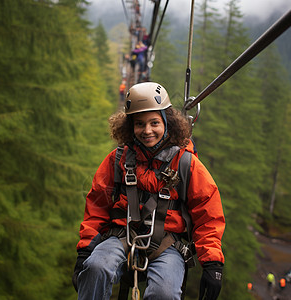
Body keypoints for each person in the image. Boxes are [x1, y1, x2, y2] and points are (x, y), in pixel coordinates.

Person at [72, 82, 225, 300]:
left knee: (165, 293)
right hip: (120, 236)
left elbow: (208, 213)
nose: (147, 131)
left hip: (167, 245)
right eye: (139, 124)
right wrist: (85, 252)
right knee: (96, 268)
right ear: (130, 126)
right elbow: (97, 206)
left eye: (154, 123)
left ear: (167, 122)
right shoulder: (118, 160)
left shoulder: (185, 164)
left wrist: (212, 264)